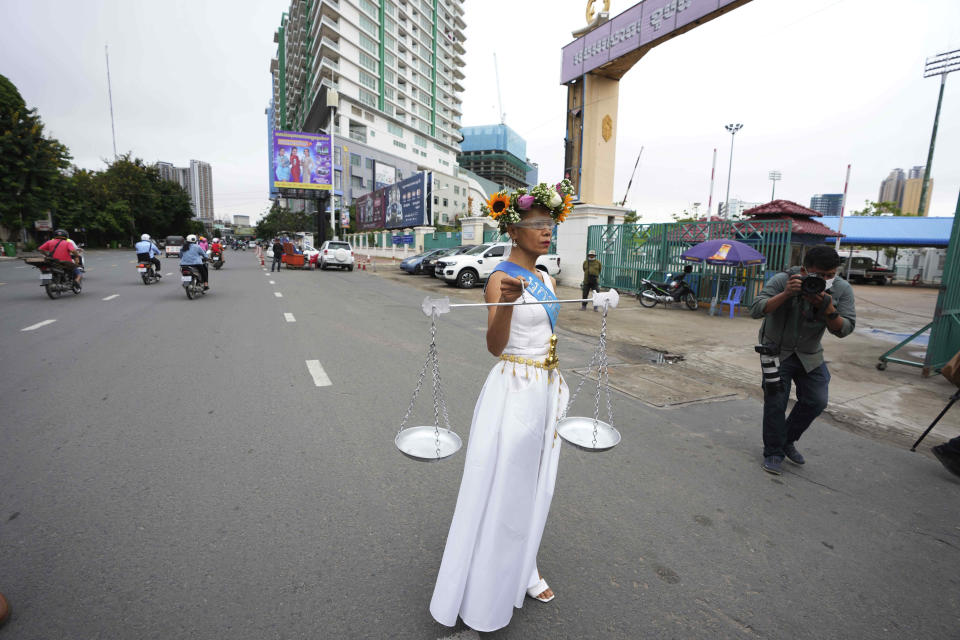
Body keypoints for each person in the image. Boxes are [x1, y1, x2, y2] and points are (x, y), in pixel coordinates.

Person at [431, 180, 576, 632]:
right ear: (514, 231)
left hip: (545, 388)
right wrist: (508, 306)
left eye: (549, 224)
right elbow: (495, 346)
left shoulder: (548, 277)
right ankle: (486, 581)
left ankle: (524, 565)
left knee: (537, 483)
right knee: (504, 484)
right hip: (513, 386)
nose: (545, 231)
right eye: (536, 224)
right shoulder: (499, 277)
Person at [750, 246, 856, 475]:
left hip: (810, 354)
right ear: (804, 269)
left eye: (830, 275)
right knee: (776, 401)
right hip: (776, 351)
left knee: (817, 400)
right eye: (819, 275)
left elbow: (845, 329)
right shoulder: (783, 280)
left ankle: (786, 439)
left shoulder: (841, 289)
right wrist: (786, 294)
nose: (825, 280)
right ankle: (774, 452)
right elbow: (756, 309)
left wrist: (828, 308)